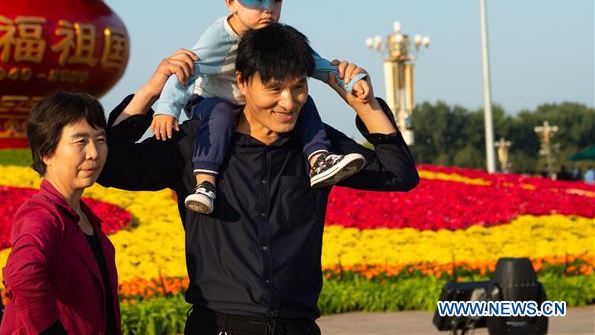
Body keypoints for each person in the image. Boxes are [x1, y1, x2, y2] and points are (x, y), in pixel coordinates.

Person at [99, 24, 420, 334]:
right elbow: (112, 167)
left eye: (298, 87)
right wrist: (153, 91)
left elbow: (398, 175)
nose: (288, 102)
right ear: (242, 81)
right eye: (274, 88)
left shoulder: (317, 148)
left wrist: (365, 106)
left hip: (298, 327)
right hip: (218, 326)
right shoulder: (196, 143)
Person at [150, 0, 368, 214]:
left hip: (254, 106)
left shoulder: (276, 36)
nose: (269, 9)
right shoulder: (217, 38)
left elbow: (313, 64)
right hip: (211, 100)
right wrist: (166, 108)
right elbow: (185, 70)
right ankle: (205, 184)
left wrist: (350, 79)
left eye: (277, 0)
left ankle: (318, 158)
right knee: (220, 113)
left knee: (304, 101)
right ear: (231, 3)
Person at [1, 92, 121, 334]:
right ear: (47, 152)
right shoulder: (41, 215)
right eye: (80, 142)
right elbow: (22, 274)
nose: (94, 154)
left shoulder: (84, 218)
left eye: (100, 140)